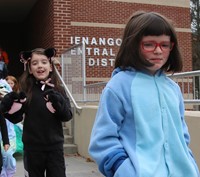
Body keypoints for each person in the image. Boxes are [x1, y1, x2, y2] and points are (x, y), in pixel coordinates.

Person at [88, 11, 200, 177]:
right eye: (149, 44)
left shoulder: (173, 89)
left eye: (164, 45)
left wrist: (189, 162)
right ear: (133, 45)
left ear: (172, 47)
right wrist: (124, 170)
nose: (158, 51)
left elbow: (182, 136)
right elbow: (103, 140)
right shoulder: (118, 86)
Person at [0, 48, 73, 177]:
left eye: (44, 62)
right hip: (32, 149)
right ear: (29, 69)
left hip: (54, 148)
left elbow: (67, 115)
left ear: (50, 67)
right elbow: (16, 118)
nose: (39, 65)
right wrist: (8, 107)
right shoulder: (26, 90)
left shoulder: (58, 89)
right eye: (35, 63)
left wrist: (58, 104)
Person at [0, 78, 17, 177]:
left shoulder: (12, 103)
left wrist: (6, 141)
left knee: (8, 155)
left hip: (8, 134)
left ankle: (9, 174)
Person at [5, 75, 24, 155]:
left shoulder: (17, 94)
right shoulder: (2, 91)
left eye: (11, 83)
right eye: (8, 83)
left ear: (15, 84)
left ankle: (12, 150)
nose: (9, 85)